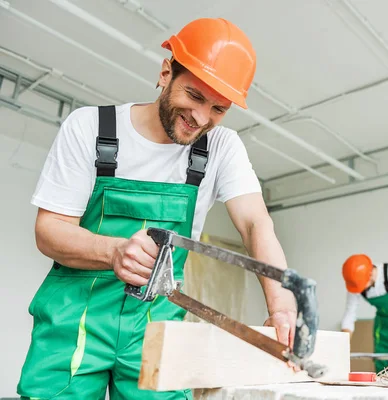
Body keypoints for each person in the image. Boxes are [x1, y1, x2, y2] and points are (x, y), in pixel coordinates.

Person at [17, 18, 297, 400]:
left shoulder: (222, 147)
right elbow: (49, 230)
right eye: (195, 97)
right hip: (73, 320)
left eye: (218, 108)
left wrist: (281, 305)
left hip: (155, 326)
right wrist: (112, 250)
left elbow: (254, 224)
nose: (201, 118)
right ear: (166, 72)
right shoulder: (90, 128)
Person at [340, 254, 388, 373]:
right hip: (382, 329)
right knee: (382, 371)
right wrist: (341, 348)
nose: (359, 291)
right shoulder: (355, 284)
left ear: (371, 274)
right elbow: (349, 315)